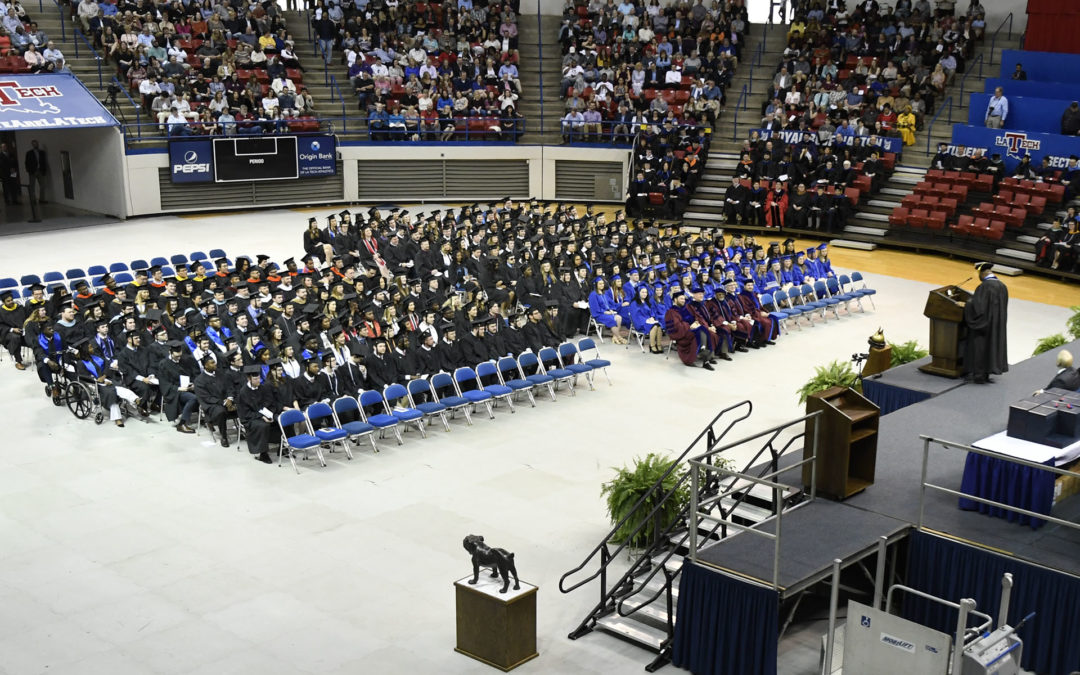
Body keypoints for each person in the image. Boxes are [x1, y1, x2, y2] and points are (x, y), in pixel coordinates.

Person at [963, 262, 1008, 384]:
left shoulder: (985, 287)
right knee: (991, 347)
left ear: (983, 273)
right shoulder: (1002, 286)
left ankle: (979, 375)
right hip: (996, 325)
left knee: (980, 347)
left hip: (984, 325)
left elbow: (979, 308)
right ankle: (987, 373)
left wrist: (966, 304)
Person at [663, 289, 713, 370]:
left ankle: (704, 354)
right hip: (682, 334)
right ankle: (704, 356)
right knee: (701, 330)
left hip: (691, 330)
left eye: (684, 299)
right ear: (675, 300)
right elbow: (676, 327)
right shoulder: (671, 312)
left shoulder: (685, 309)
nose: (683, 301)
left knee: (703, 329)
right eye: (681, 299)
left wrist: (696, 323)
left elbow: (694, 318)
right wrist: (690, 326)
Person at [236, 365, 276, 464]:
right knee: (263, 426)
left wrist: (268, 414)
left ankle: (283, 447)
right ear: (249, 379)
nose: (258, 381)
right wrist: (261, 416)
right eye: (255, 379)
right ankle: (263, 453)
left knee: (279, 419)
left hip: (264, 414)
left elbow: (269, 401)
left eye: (259, 378)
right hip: (250, 418)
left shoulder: (262, 388)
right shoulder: (243, 392)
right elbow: (245, 412)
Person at [24, 139, 47, 204]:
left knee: (42, 185)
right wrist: (28, 170)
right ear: (32, 145)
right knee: (32, 186)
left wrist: (44, 171)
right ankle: (33, 200)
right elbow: (26, 162)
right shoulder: (29, 153)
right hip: (32, 171)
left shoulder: (42, 152)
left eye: (36, 143)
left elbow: (44, 162)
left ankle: (41, 199)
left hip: (40, 171)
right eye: (34, 144)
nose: (35, 145)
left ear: (38, 144)